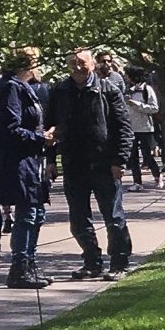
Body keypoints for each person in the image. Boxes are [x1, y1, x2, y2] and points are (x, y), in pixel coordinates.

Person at [50, 47, 132, 279]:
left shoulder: (108, 90)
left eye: (81, 62)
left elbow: (123, 129)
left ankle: (119, 263)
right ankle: (91, 261)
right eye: (72, 62)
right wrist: (50, 160)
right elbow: (51, 126)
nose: (77, 67)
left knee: (114, 217)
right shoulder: (60, 91)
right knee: (78, 218)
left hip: (104, 163)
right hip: (74, 163)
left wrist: (119, 160)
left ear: (92, 64)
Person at [0, 46, 51, 289]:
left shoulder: (25, 87)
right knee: (28, 213)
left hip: (31, 159)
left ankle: (30, 263)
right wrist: (40, 138)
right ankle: (20, 267)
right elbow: (10, 128)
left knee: (36, 213)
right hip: (17, 161)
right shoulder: (10, 87)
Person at [119, 51, 163, 192]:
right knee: (132, 157)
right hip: (131, 127)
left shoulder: (147, 90)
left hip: (145, 127)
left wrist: (135, 104)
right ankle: (137, 182)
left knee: (147, 155)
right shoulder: (127, 90)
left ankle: (157, 175)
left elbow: (154, 108)